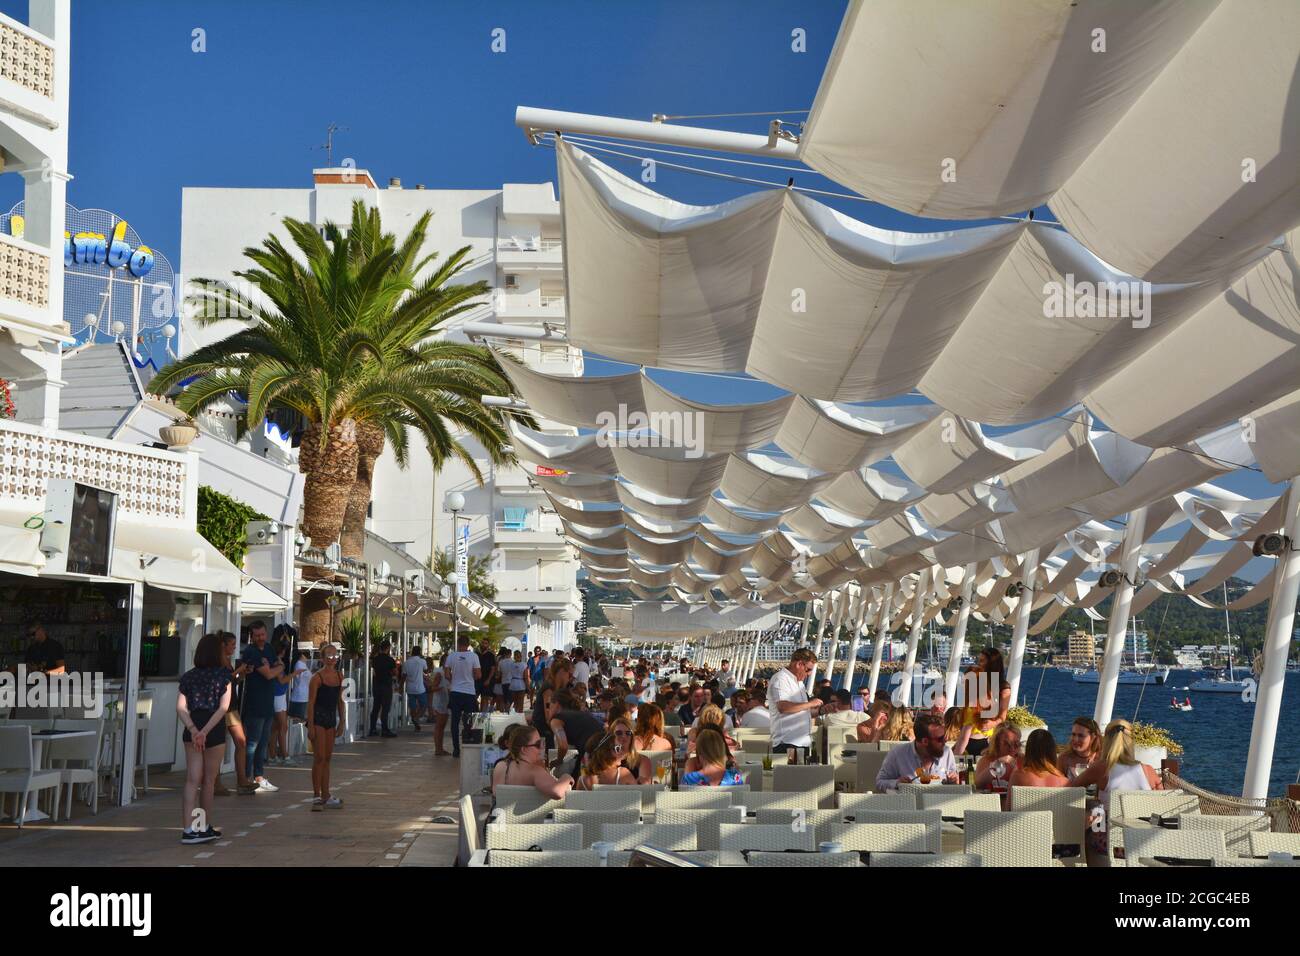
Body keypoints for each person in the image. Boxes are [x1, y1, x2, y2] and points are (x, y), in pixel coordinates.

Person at [176, 633, 232, 844]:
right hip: (213, 730)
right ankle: (204, 826)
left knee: (192, 779)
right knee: (209, 780)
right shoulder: (223, 676)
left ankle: (188, 829)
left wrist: (193, 728)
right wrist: (205, 731)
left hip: (192, 729)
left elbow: (180, 707)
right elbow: (223, 708)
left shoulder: (189, 677)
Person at [1065, 719, 1162, 813]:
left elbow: (1071, 789)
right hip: (1141, 828)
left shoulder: (1102, 768)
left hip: (1109, 827)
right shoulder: (1148, 770)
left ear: (1106, 741)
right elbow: (1163, 802)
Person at [239, 620, 283, 792]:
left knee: (263, 742)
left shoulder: (269, 648)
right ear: (251, 636)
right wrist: (277, 667)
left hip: (267, 703)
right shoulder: (251, 652)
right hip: (254, 704)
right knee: (252, 743)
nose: (260, 638)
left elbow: (277, 665)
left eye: (262, 634)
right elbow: (270, 674)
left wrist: (277, 666)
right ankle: (247, 778)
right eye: (257, 635)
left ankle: (259, 777)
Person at [875, 712, 960, 791]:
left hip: (939, 804)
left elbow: (955, 781)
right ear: (925, 741)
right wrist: (897, 783)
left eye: (944, 736)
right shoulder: (898, 754)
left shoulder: (947, 752)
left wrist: (955, 780)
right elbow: (879, 782)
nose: (945, 741)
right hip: (909, 804)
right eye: (940, 739)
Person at [307, 642, 346, 810]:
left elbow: (340, 701)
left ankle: (326, 794)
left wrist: (342, 722)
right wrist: (310, 726)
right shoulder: (317, 678)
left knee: (328, 759)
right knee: (319, 757)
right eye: (329, 656)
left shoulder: (339, 676)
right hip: (317, 719)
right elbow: (311, 703)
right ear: (322, 658)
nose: (332, 659)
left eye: (335, 655)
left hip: (330, 719)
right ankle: (316, 796)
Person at [490, 725, 574, 800]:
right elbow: (558, 792)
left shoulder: (500, 766)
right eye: (537, 745)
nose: (541, 748)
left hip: (502, 816)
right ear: (524, 749)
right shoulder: (535, 771)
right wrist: (566, 777)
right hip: (531, 817)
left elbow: (496, 794)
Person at [955, 649, 1010, 756]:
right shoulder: (977, 681)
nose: (979, 664)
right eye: (979, 660)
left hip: (987, 739)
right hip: (972, 737)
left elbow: (1003, 716)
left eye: (982, 661)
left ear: (992, 663)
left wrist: (993, 723)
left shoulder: (1003, 687)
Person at [766, 648, 822, 752]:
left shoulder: (799, 682)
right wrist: (810, 703)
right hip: (787, 743)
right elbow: (783, 707)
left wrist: (822, 711)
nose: (809, 674)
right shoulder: (780, 679)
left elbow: (801, 710)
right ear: (799, 664)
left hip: (801, 742)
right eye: (808, 669)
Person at [218, 632, 253, 796]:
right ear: (223, 645)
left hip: (232, 706)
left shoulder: (227, 660)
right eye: (232, 644)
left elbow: (232, 681)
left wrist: (241, 675)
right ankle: (216, 782)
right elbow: (224, 681)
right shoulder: (218, 660)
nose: (234, 647)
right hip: (222, 707)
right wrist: (238, 670)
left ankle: (242, 780)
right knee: (219, 746)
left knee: (242, 742)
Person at [446, 635, 482, 758]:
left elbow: (446, 673)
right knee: (469, 721)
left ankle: (456, 749)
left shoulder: (451, 656)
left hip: (455, 692)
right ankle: (467, 745)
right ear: (468, 644)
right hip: (469, 693)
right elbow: (478, 675)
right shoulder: (474, 656)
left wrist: (454, 680)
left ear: (458, 643)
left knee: (454, 722)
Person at [547, 690, 604, 765]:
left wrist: (558, 761)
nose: (548, 709)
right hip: (603, 749)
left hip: (592, 754)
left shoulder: (556, 720)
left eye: (548, 705)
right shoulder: (578, 714)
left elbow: (563, 746)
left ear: (557, 704)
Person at [268, 627, 295, 765]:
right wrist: (294, 675)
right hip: (278, 695)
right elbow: (282, 680)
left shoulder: (277, 662)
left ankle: (272, 754)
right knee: (283, 726)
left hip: (280, 695)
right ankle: (285, 755)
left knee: (276, 727)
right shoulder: (278, 663)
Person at [974, 723, 1022, 795]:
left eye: (1016, 744)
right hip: (992, 803)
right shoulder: (986, 760)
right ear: (997, 743)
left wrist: (1017, 768)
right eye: (1006, 743)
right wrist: (997, 763)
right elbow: (978, 785)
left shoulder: (1023, 760)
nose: (1012, 748)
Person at [369, 640, 398, 738]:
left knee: (376, 707)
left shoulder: (375, 659)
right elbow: (395, 672)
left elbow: (372, 671)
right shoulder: (390, 660)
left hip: (376, 685)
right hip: (386, 685)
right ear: (388, 648)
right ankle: (384, 729)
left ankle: (372, 728)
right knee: (385, 708)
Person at [428, 653, 451, 755]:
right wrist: (442, 688)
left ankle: (440, 748)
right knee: (439, 726)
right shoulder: (439, 672)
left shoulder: (449, 672)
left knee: (442, 725)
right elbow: (432, 687)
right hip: (440, 701)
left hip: (445, 701)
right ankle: (438, 749)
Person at [402, 645, 428, 733]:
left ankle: (416, 724)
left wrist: (401, 686)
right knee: (424, 705)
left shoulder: (406, 663)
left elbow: (403, 676)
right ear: (420, 652)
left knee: (413, 707)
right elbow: (426, 671)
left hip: (410, 688)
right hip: (420, 688)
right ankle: (417, 718)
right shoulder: (422, 661)